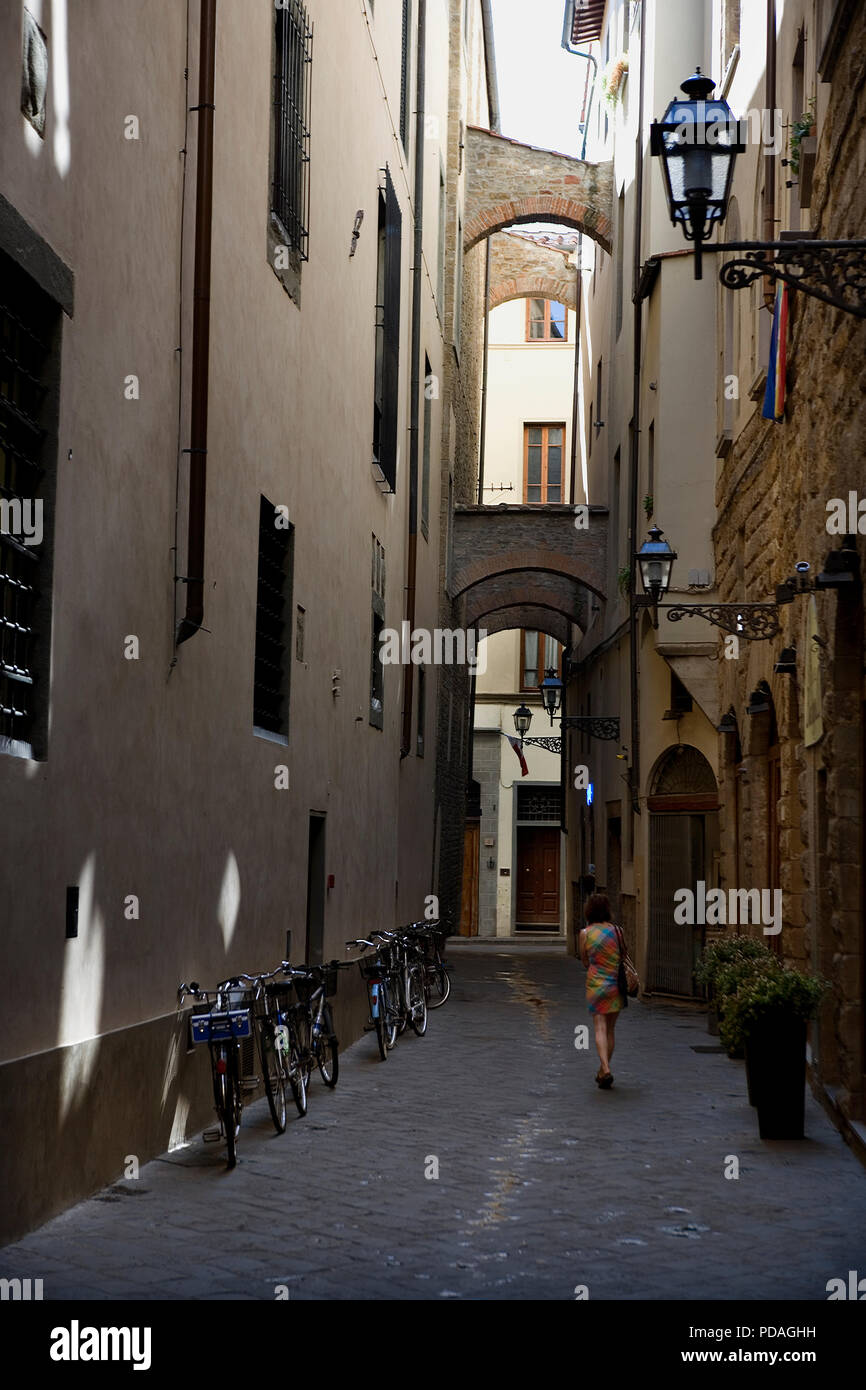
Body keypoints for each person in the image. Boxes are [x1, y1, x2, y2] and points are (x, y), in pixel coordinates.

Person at [579, 893, 623, 1089]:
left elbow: (584, 961)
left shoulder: (585, 934)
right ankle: (603, 1068)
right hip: (615, 985)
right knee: (611, 1030)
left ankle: (604, 1068)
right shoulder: (618, 932)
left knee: (599, 1028)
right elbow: (624, 955)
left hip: (595, 986)